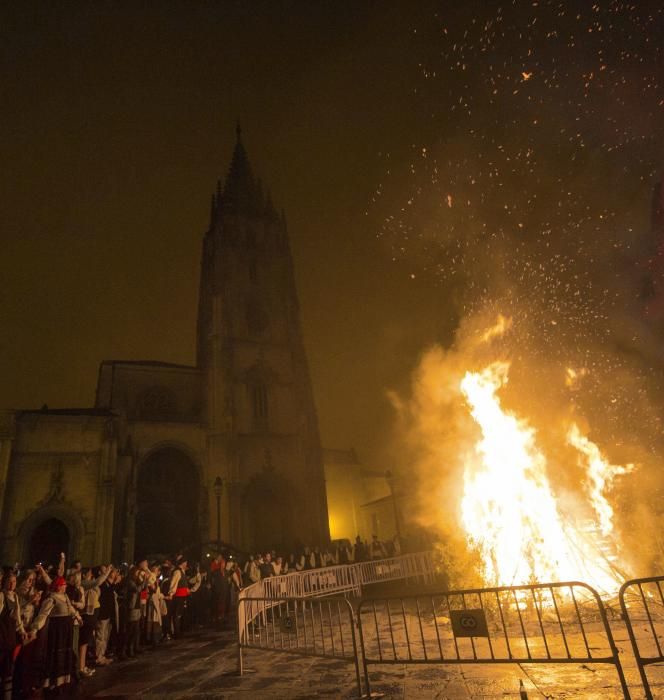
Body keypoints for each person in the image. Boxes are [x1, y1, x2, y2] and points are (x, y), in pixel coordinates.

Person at [28, 576, 82, 693]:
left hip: (66, 629)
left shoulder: (65, 596)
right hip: (57, 630)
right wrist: (35, 629)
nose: (65, 586)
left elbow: (71, 609)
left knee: (64, 655)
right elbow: (43, 615)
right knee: (56, 655)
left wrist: (78, 616)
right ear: (58, 586)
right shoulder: (51, 599)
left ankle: (62, 681)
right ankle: (52, 683)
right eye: (63, 585)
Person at [0, 569, 25, 699]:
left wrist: (22, 631)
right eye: (10, 582)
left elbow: (17, 617)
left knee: (8, 669)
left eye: (14, 582)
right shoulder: (1, 596)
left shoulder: (15, 596)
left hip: (10, 636)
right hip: (2, 635)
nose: (12, 584)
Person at [168, 557, 189, 639]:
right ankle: (177, 632)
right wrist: (171, 593)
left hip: (182, 596)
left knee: (180, 614)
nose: (186, 564)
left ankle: (179, 631)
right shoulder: (177, 572)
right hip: (178, 596)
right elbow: (174, 583)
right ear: (182, 563)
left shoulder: (182, 571)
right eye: (185, 562)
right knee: (177, 615)